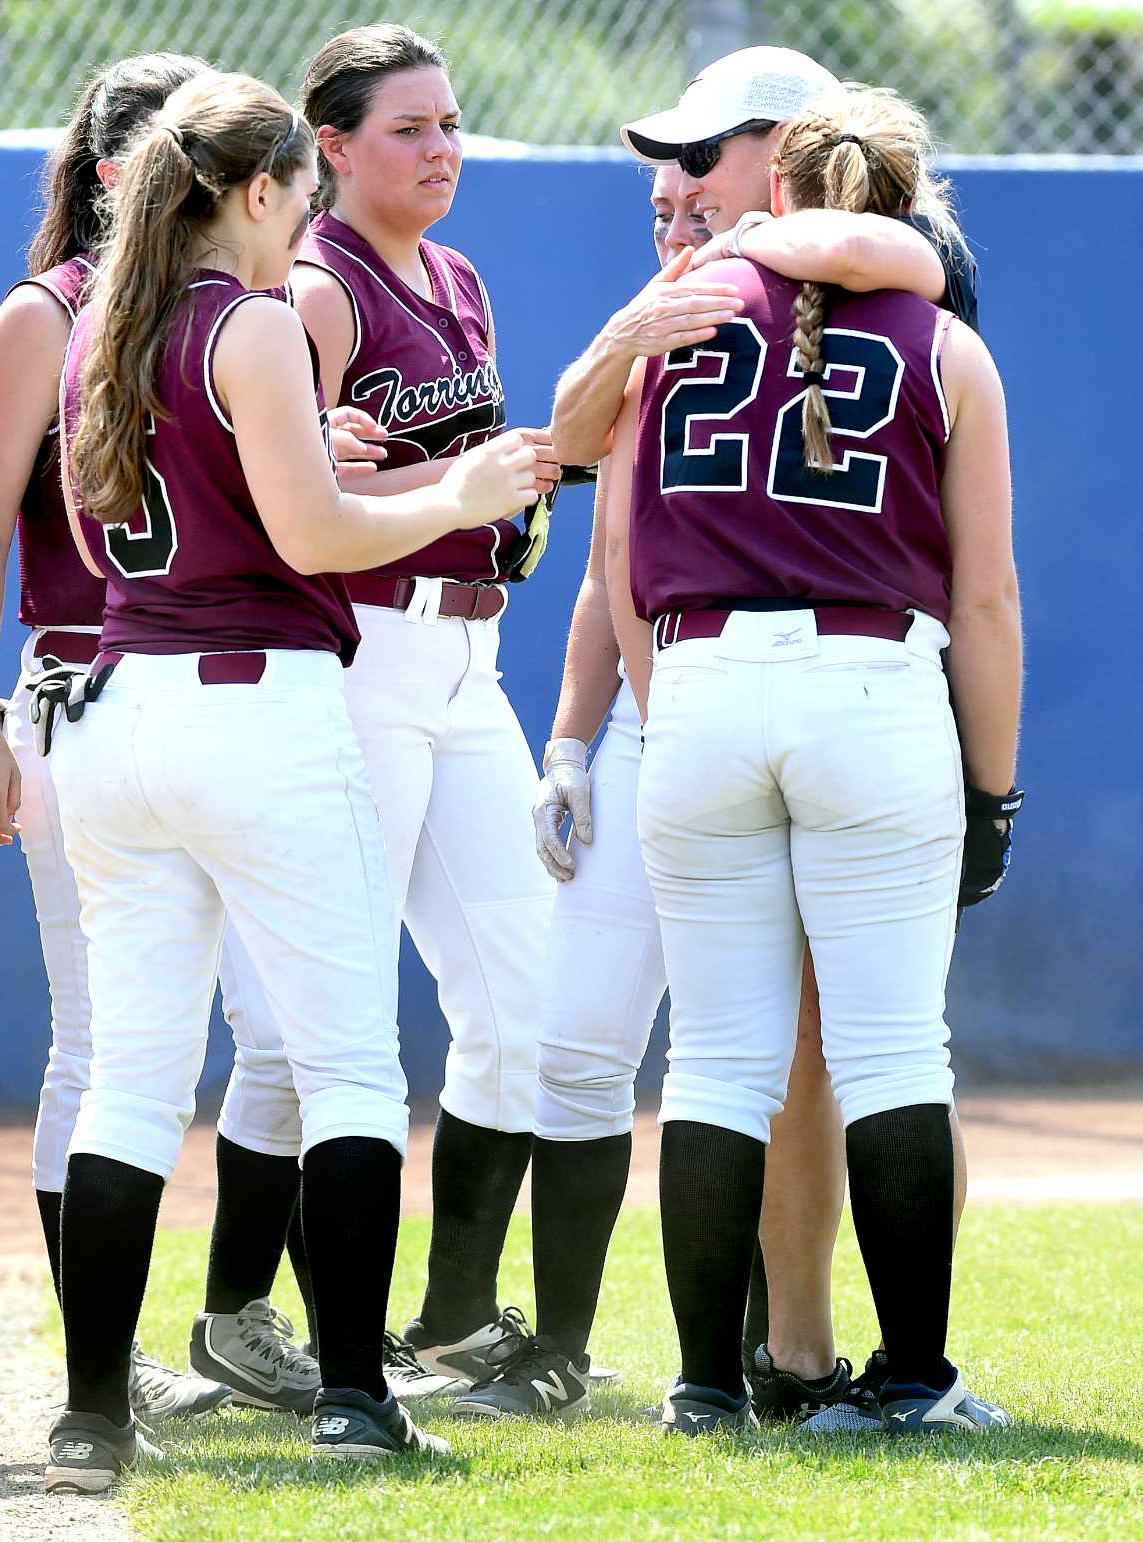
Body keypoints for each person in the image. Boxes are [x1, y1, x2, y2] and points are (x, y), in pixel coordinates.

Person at [44, 68, 554, 1491]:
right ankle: (351, 1397)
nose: (301, 229)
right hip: (255, 702)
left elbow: (130, 527)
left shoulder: (102, 318)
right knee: (345, 1063)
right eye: (298, 200)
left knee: (134, 1080)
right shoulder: (255, 317)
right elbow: (321, 537)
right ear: (259, 190)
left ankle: (90, 1415)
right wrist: (461, 493)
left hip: (121, 700)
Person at [530, 45, 984, 1426]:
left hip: (752, 683)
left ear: (785, 153)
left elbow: (607, 521)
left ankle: (732, 1371)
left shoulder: (835, 273)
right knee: (865, 1047)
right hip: (837, 688)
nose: (678, 179)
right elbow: (599, 507)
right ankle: (869, 1370)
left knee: (750, 1051)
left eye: (711, 150)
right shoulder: (708, 290)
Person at [198, 22, 557, 1400]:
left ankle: (456, 1319)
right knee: (306, 1016)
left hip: (470, 666)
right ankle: (238, 1314)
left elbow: (466, 465)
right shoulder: (318, 289)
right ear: (329, 149)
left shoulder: (456, 274)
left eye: (451, 123)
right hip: (362, 658)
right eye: (408, 128)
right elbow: (295, 504)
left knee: (519, 991)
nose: (442, 148)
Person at [0, 48, 258, 1426]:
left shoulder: (238, 304)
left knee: (259, 1033)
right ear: (123, 168)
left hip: (222, 691)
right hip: (82, 678)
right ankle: (99, 1360)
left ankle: (236, 1323)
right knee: (102, 1037)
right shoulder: (48, 307)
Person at [449, 161, 707, 1421]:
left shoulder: (851, 308)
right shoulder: (654, 328)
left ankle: (756, 1354)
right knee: (574, 1045)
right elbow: (604, 560)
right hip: (651, 739)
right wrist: (568, 746)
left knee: (744, 1056)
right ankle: (556, 1348)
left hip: (766, 717)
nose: (673, 225)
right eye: (658, 206)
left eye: (695, 200)